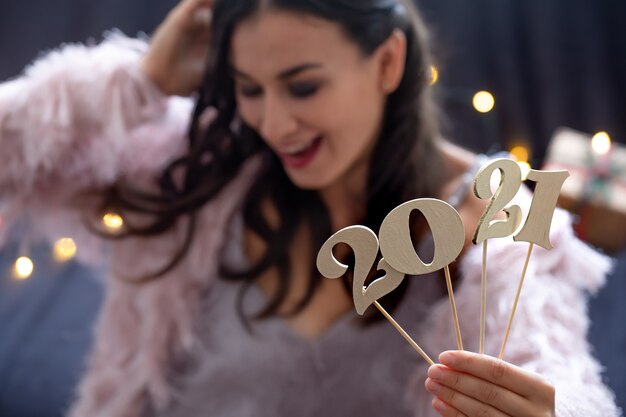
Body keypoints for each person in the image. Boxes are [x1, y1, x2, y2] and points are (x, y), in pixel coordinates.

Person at [0, 0, 620, 416]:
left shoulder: (497, 214)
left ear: (387, 62)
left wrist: (548, 410)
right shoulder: (199, 166)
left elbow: (560, 374)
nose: (274, 123)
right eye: (249, 89)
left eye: (302, 86)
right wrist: (142, 80)